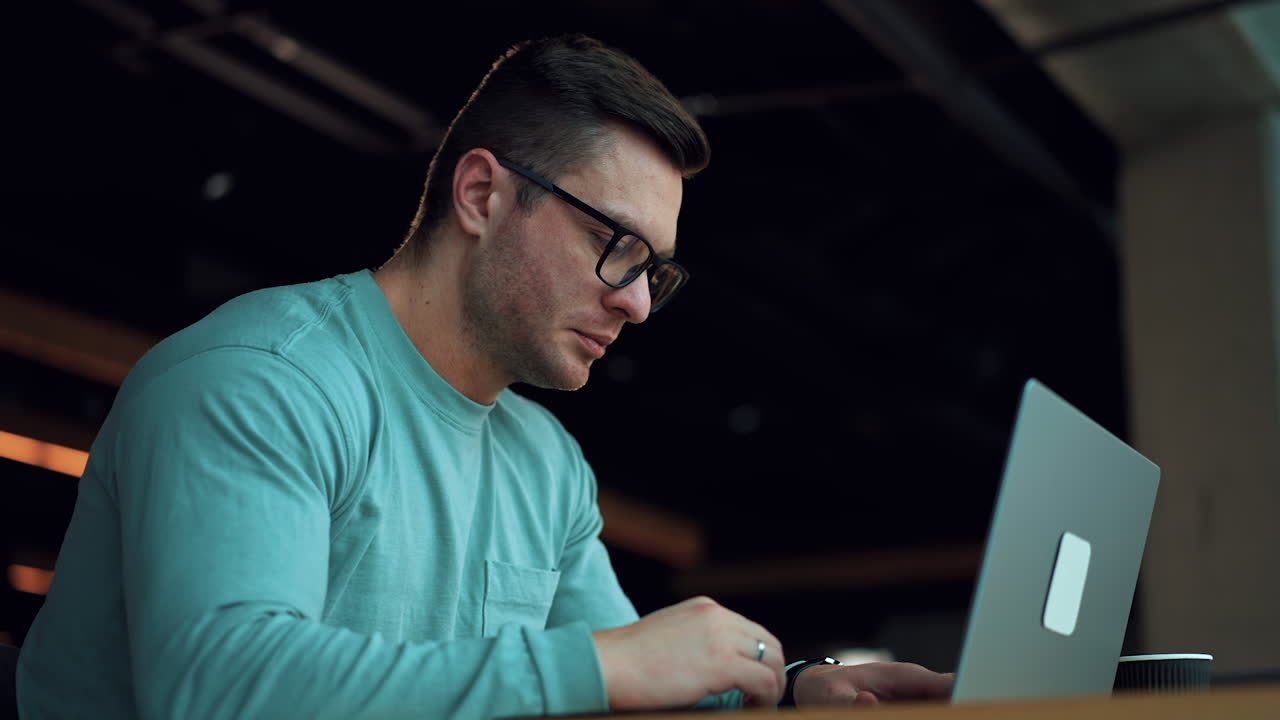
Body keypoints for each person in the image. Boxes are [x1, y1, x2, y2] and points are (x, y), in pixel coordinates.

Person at [15, 34, 953, 718]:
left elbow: (636, 687)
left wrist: (788, 697)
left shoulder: (547, 467)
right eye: (614, 246)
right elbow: (222, 688)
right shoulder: (260, 382)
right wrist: (594, 668)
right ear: (481, 195)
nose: (635, 303)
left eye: (654, 270)